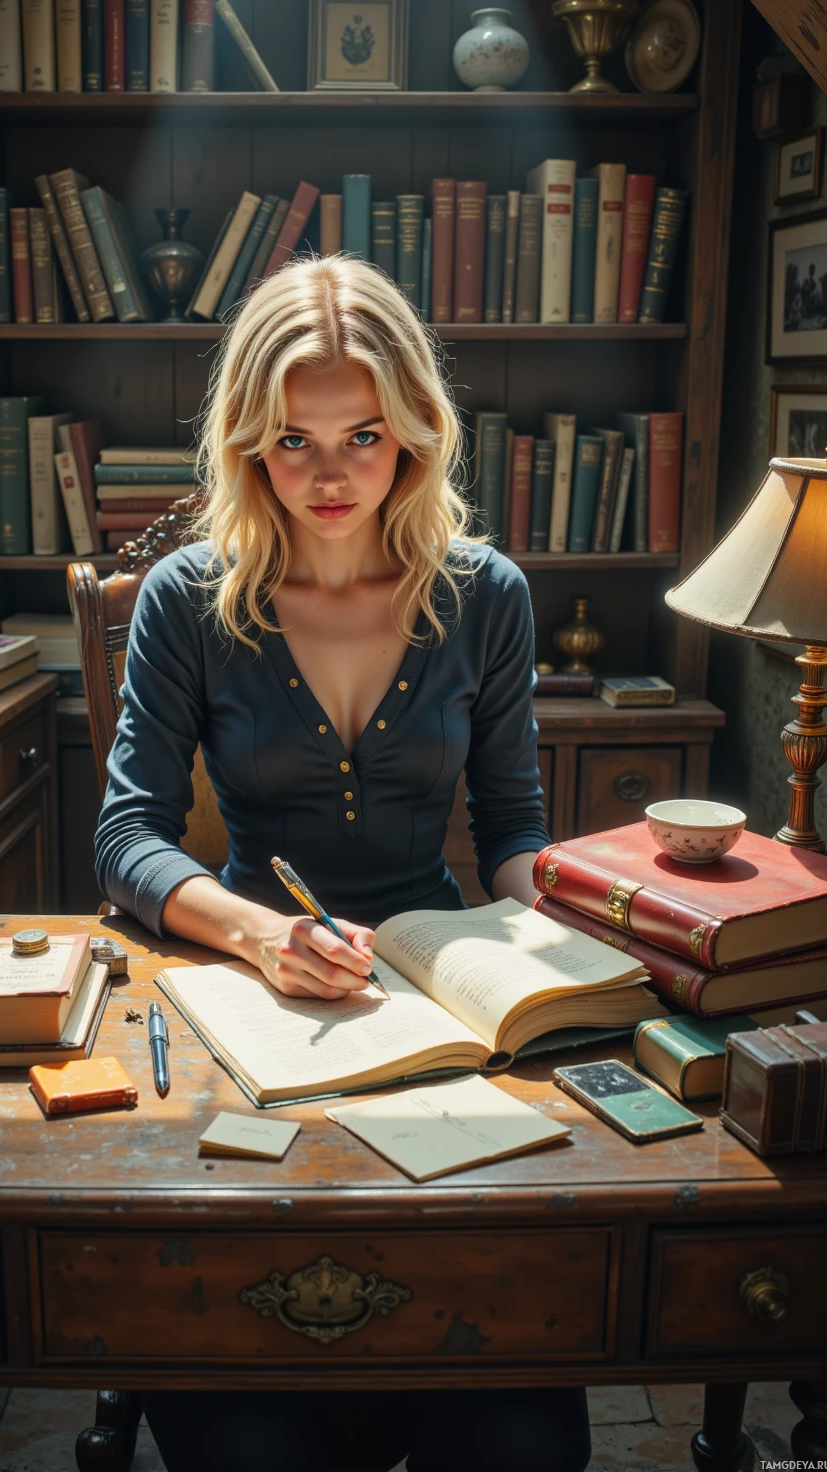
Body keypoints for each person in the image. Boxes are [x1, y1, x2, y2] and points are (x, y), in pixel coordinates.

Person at [94, 255, 590, 1472]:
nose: (328, 475)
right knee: (251, 1436)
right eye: (291, 439)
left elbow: (515, 831)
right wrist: (263, 937)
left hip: (438, 995)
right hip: (247, 995)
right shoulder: (184, 598)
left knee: (524, 1437)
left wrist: (581, 926)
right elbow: (127, 837)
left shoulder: (488, 597)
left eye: (362, 436)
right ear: (246, 444)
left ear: (415, 431)